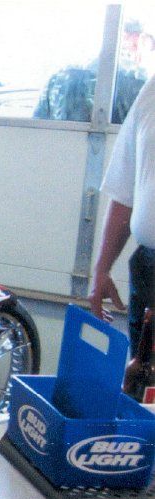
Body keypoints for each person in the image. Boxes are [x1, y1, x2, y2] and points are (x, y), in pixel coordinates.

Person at [89, 75, 155, 353]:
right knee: (143, 374)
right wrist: (102, 269)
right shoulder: (151, 91)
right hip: (149, 269)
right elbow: (125, 191)